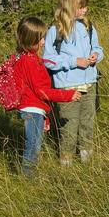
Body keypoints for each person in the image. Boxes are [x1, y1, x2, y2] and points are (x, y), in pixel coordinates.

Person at [42, 0, 104, 165]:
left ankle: (87, 161)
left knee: (88, 124)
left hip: (89, 84)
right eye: (81, 6)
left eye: (85, 6)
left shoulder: (88, 27)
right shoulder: (55, 30)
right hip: (66, 88)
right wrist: (74, 62)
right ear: (70, 6)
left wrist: (96, 56)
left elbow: (98, 48)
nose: (85, 9)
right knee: (69, 127)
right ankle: (66, 164)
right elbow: (48, 60)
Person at [15, 16, 81, 176]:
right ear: (30, 40)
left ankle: (28, 174)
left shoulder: (25, 58)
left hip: (33, 108)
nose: (44, 42)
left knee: (34, 143)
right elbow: (42, 91)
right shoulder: (30, 62)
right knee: (33, 145)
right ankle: (27, 177)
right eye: (40, 39)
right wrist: (68, 95)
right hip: (32, 109)